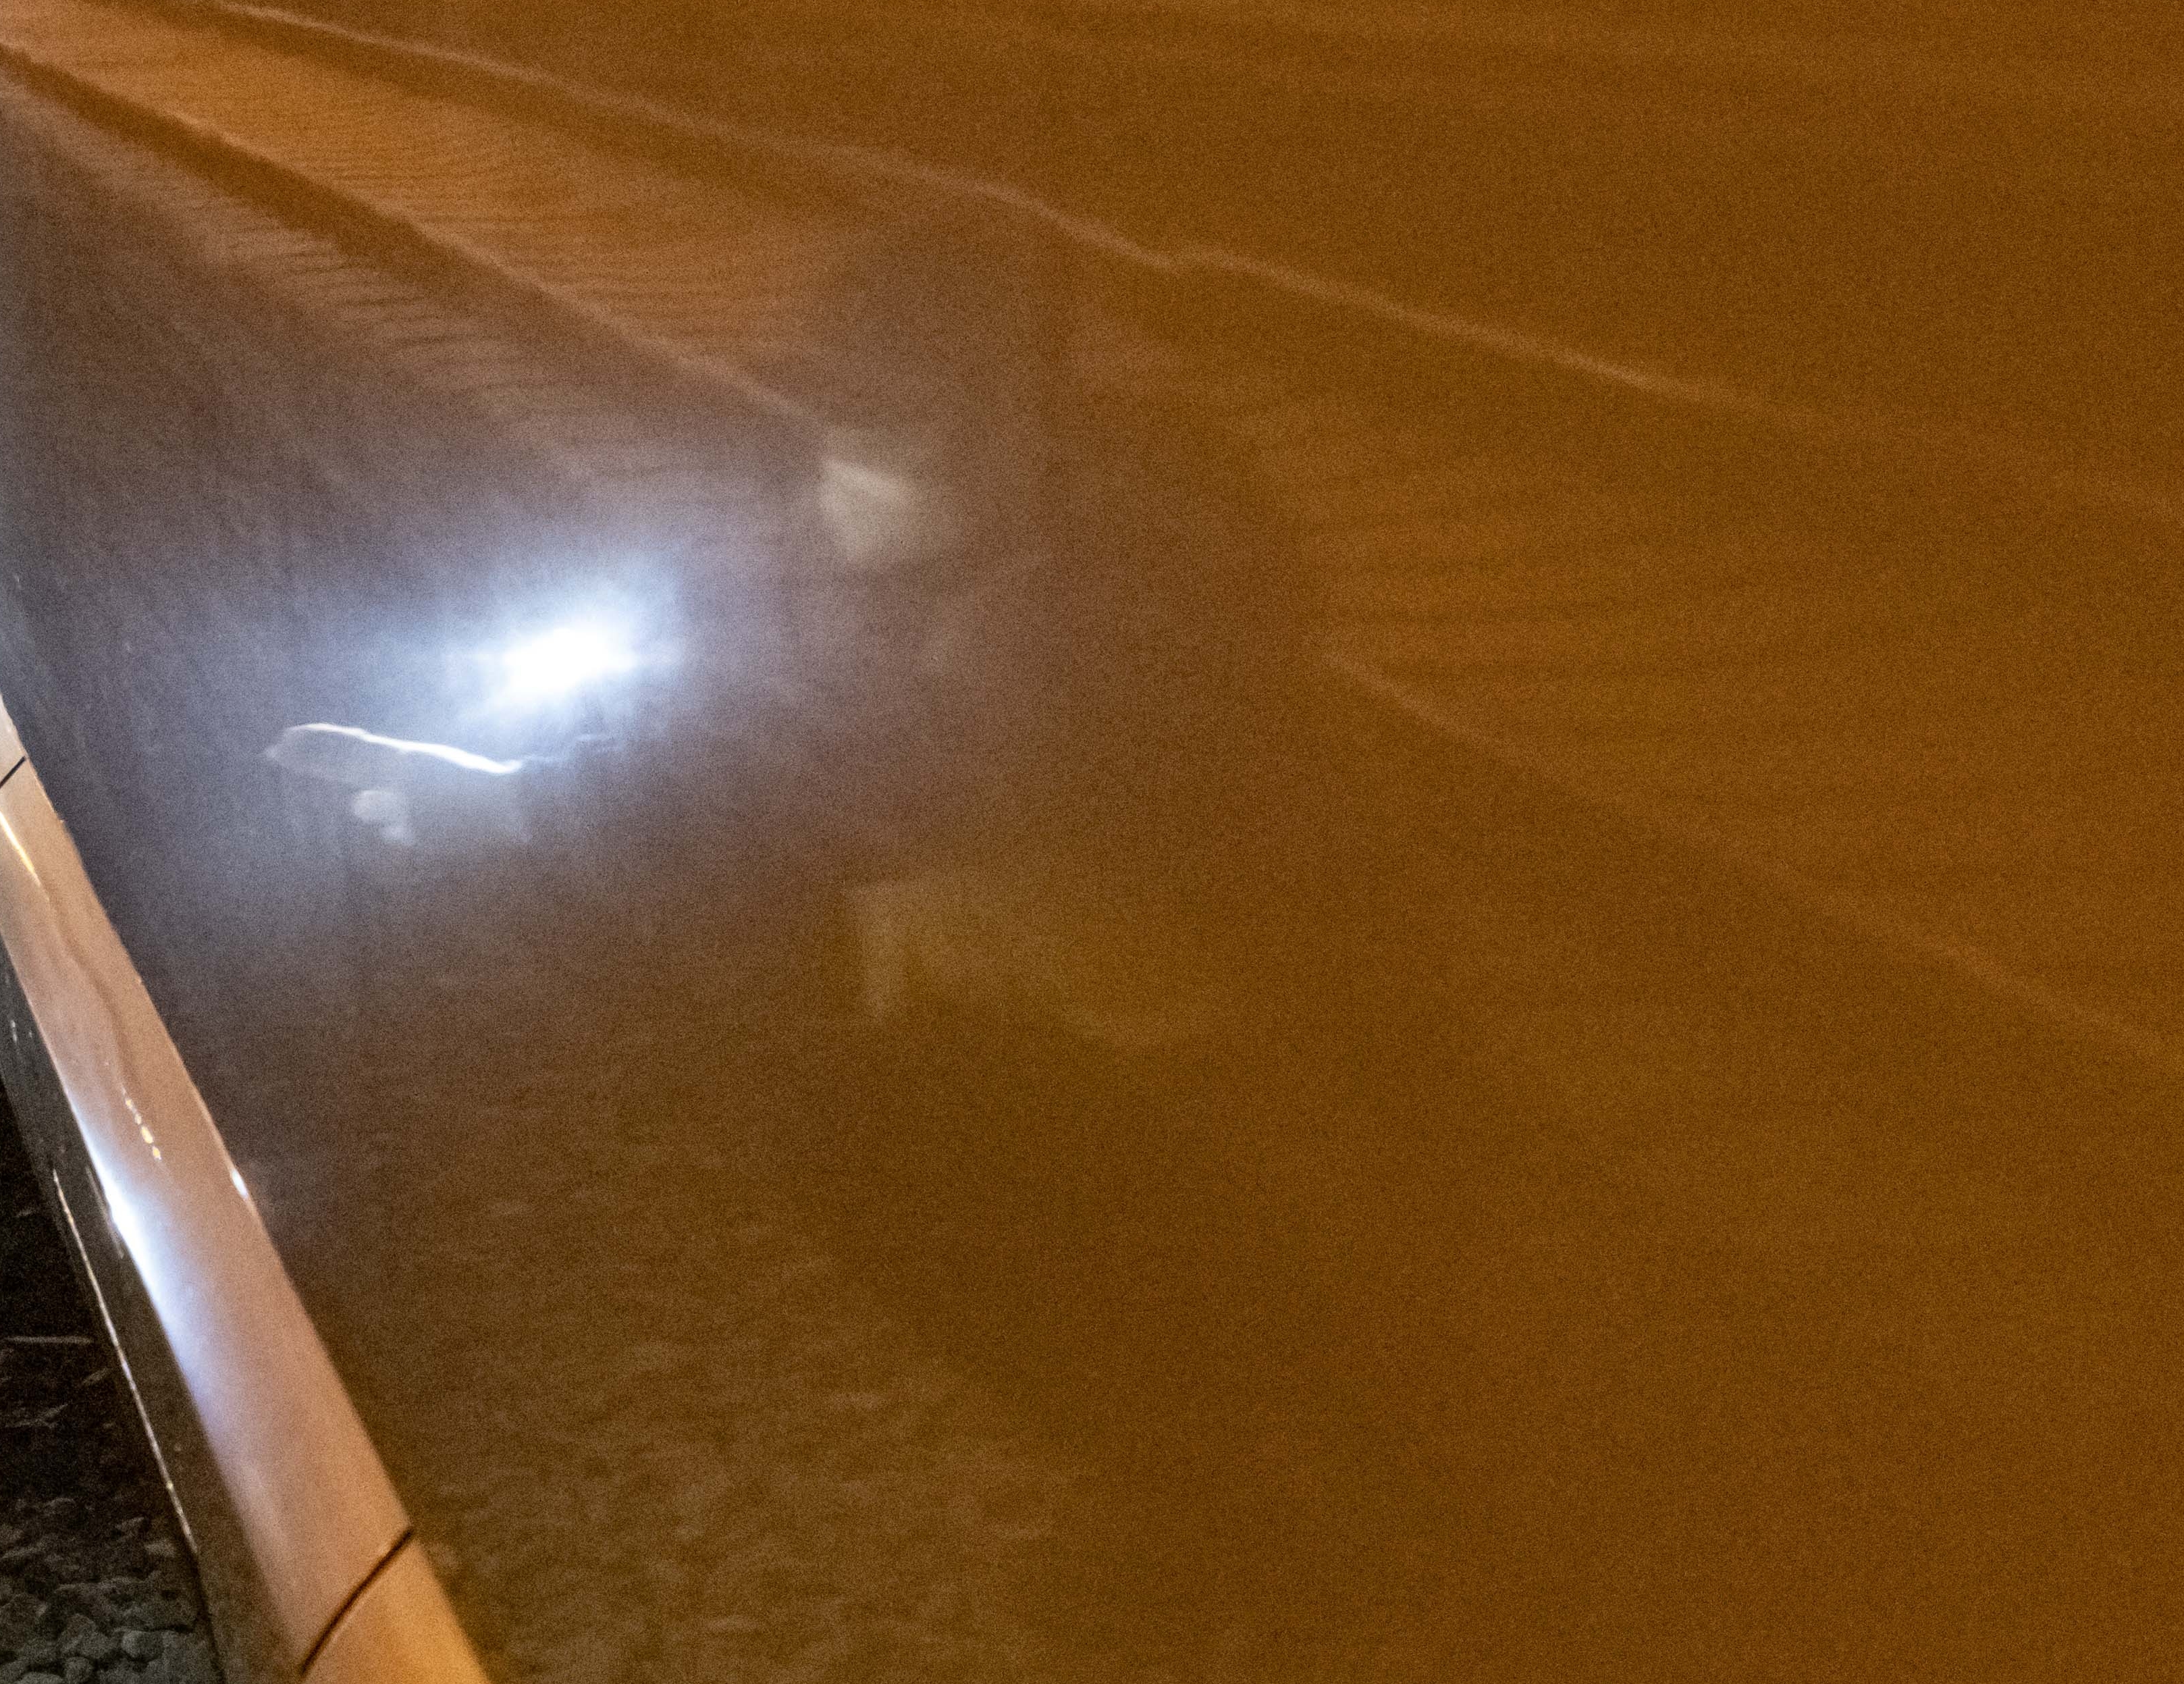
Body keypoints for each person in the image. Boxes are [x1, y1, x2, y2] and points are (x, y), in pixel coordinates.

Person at [272, 219, 1468, 1575]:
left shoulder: (1104, 586)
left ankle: (1273, 1484)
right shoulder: (963, 542)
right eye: (837, 403)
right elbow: (742, 710)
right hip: (1161, 1027)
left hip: (1275, 1067)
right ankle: (1282, 1419)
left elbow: (853, 778)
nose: (839, 446)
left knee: (863, 1131)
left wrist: (520, 796)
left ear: (1000, 416)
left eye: (884, 410)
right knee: (840, 1047)